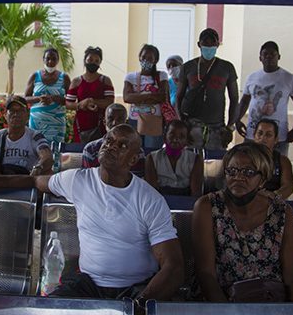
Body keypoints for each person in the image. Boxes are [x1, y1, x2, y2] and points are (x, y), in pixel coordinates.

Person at [35, 124, 184, 306]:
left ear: (133, 159)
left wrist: (138, 306)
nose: (111, 146)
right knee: (48, 308)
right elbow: (38, 182)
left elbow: (174, 267)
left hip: (136, 288)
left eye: (122, 145)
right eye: (109, 140)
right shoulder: (79, 180)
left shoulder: (149, 199)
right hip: (88, 284)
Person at [192, 143, 293, 302]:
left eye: (248, 172)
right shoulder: (208, 207)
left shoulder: (281, 212)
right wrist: (227, 313)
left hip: (268, 301)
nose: (238, 177)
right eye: (232, 171)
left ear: (262, 179)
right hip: (221, 299)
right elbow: (205, 273)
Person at [177, 28, 239, 156]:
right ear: (199, 44)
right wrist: (182, 125)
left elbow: (234, 99)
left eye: (212, 44)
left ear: (217, 45)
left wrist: (230, 127)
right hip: (192, 126)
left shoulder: (227, 67)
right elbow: (179, 97)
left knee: (215, 167)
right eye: (206, 44)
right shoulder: (188, 67)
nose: (209, 47)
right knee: (190, 165)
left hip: (217, 128)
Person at [236, 41, 293, 156]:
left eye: (272, 54)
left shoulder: (289, 78)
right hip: (253, 135)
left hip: (278, 137)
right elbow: (244, 101)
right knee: (251, 166)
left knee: (278, 169)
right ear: (260, 58)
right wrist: (237, 120)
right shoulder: (252, 77)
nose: (269, 57)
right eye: (265, 54)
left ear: (279, 56)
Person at [0, 95, 53, 187]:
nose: (16, 114)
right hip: (3, 183)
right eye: (12, 111)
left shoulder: (36, 136)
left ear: (27, 115)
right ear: (5, 115)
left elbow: (47, 157)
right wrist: (4, 184)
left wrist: (38, 168)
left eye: (20, 111)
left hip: (29, 182)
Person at [123, 44, 169, 149]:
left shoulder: (161, 75)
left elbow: (162, 97)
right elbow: (127, 98)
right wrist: (150, 95)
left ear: (155, 60)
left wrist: (137, 97)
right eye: (143, 57)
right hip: (134, 120)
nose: (146, 61)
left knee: (151, 153)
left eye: (150, 58)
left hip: (154, 120)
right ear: (139, 57)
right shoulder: (130, 76)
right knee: (135, 151)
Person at [66, 46, 115, 143]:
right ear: (85, 61)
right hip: (80, 125)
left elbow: (110, 102)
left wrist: (92, 101)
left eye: (97, 61)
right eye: (90, 59)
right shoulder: (76, 81)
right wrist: (80, 104)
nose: (93, 63)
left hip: (100, 125)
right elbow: (68, 103)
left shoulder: (105, 81)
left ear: (100, 63)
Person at [145, 120, 204, 196]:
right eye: (172, 135)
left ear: (187, 140)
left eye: (181, 136)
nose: (176, 139)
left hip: (186, 202)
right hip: (160, 201)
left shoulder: (195, 160)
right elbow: (151, 192)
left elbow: (196, 193)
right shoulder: (152, 158)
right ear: (165, 136)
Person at [24, 47, 71, 143]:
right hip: (37, 123)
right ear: (43, 59)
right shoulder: (35, 76)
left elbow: (71, 101)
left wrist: (55, 99)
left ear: (58, 60)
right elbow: (26, 98)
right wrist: (38, 98)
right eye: (48, 58)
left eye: (54, 59)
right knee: (36, 151)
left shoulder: (64, 78)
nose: (50, 61)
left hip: (56, 124)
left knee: (56, 152)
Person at [81, 103, 144, 169]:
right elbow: (87, 177)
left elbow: (136, 178)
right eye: (110, 119)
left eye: (120, 119)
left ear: (126, 122)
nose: (115, 123)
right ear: (104, 122)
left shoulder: (136, 151)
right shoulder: (91, 149)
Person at [252, 119, 293, 200]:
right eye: (260, 133)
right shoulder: (243, 158)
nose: (263, 138)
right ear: (254, 136)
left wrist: (273, 197)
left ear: (276, 140)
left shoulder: (283, 161)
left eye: (268, 135)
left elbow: (288, 187)